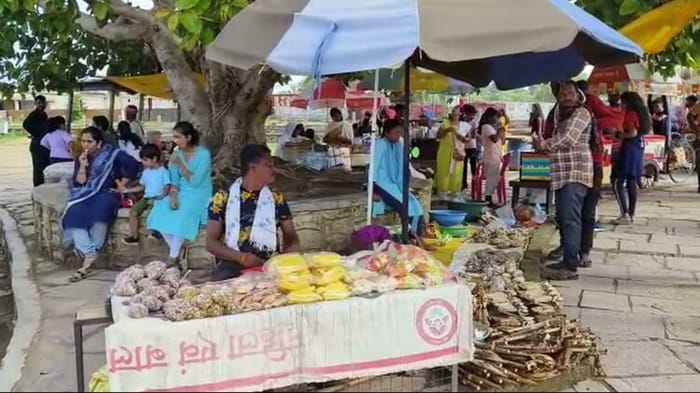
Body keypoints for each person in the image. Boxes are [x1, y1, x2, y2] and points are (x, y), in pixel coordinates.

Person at [206, 144, 300, 281]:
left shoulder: (276, 198)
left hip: (270, 264)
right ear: (253, 167)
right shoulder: (223, 198)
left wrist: (287, 256)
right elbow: (211, 243)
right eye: (268, 164)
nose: (273, 169)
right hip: (233, 263)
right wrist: (242, 258)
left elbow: (291, 237)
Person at [63, 127, 140, 282]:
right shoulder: (81, 158)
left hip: (107, 193)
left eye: (89, 141)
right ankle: (90, 253)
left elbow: (133, 165)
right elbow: (79, 182)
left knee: (100, 215)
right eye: (83, 141)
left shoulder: (113, 154)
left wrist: (122, 185)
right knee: (73, 216)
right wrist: (83, 165)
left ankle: (87, 260)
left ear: (99, 143)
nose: (85, 145)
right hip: (86, 193)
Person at [534, 81, 593, 281]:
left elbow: (568, 139)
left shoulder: (581, 113)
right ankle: (567, 261)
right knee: (565, 219)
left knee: (570, 221)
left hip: (574, 174)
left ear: (578, 96)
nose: (566, 96)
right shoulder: (562, 116)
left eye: (570, 93)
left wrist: (543, 144)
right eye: (562, 94)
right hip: (562, 176)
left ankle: (570, 266)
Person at [147, 121, 213, 267]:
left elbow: (195, 181)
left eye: (178, 137)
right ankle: (176, 249)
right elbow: (174, 180)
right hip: (181, 191)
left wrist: (180, 163)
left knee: (183, 214)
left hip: (199, 192)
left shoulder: (204, 154)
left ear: (188, 137)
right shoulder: (177, 154)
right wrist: (173, 196)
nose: (174, 141)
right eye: (174, 137)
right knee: (160, 206)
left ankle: (173, 256)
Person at [373, 119, 425, 238]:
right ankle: (410, 237)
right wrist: (372, 190)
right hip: (382, 184)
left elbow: (403, 165)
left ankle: (418, 235)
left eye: (400, 132)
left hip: (396, 183)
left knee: (415, 205)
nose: (398, 136)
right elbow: (373, 169)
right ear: (386, 132)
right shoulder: (380, 144)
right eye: (396, 132)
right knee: (405, 207)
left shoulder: (399, 143)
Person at [120, 144, 170, 245]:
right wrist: (127, 190)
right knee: (133, 212)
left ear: (154, 159)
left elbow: (167, 185)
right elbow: (142, 187)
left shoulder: (163, 171)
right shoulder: (145, 172)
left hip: (159, 198)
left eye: (145, 160)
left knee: (156, 212)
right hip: (147, 197)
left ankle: (157, 233)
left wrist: (162, 196)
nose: (143, 163)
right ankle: (134, 237)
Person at [611, 92, 649, 225]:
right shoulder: (643, 114)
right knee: (632, 181)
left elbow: (632, 132)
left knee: (617, 182)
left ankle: (625, 213)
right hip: (638, 148)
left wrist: (619, 134)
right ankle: (631, 214)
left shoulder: (631, 114)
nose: (621, 105)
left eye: (622, 102)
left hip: (629, 148)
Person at [435, 106, 469, 198]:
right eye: (453, 112)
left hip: (458, 153)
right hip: (445, 152)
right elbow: (438, 136)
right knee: (444, 172)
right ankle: (442, 194)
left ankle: (455, 194)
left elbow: (468, 138)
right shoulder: (445, 123)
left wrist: (463, 138)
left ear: (460, 114)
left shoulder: (464, 125)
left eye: (457, 112)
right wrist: (447, 130)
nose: (454, 114)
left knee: (457, 173)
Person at [479, 107, 505, 206]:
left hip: (495, 156)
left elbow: (501, 141)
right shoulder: (486, 127)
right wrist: (499, 130)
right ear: (490, 117)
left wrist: (501, 131)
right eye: (496, 117)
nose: (497, 120)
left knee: (493, 178)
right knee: (491, 179)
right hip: (490, 156)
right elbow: (494, 139)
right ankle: (487, 199)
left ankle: (489, 197)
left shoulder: (492, 128)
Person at [24, 95, 49, 186]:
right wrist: (36, 133)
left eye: (43, 103)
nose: (41, 105)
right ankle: (38, 185)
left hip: (43, 143)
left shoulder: (43, 114)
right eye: (39, 103)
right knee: (38, 167)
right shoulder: (34, 114)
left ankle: (43, 184)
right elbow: (25, 124)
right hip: (37, 144)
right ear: (35, 104)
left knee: (44, 166)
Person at [461, 105, 479, 191]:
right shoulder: (461, 121)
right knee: (463, 165)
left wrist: (468, 136)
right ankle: (463, 183)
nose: (472, 116)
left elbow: (474, 135)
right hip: (462, 145)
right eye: (471, 114)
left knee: (473, 165)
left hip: (471, 145)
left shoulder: (474, 122)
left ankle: (474, 183)